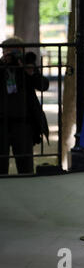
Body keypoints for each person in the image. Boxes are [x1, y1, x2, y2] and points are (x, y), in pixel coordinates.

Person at [0, 37, 49, 175]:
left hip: (23, 122)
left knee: (25, 166)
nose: (11, 55)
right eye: (7, 51)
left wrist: (30, 72)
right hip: (1, 122)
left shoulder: (27, 65)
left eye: (15, 51)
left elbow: (43, 85)